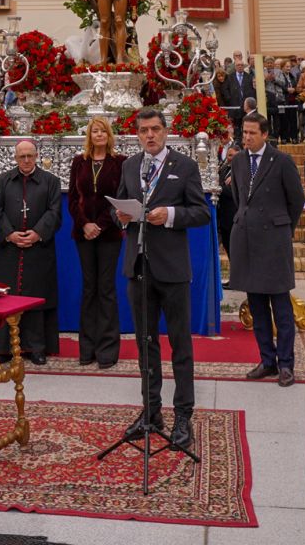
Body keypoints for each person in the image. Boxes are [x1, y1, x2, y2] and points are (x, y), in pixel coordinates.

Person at [116, 107, 211, 451]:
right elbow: (119, 209)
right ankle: (151, 411)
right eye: (143, 130)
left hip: (171, 269)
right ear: (138, 134)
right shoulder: (130, 166)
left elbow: (201, 212)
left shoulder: (183, 167)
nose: (150, 135)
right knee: (145, 342)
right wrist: (122, 217)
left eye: (155, 129)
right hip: (138, 267)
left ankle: (183, 414)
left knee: (180, 345)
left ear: (165, 131)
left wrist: (169, 214)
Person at [226, 113, 302, 387]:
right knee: (257, 307)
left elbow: (296, 200)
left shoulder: (281, 161)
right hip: (246, 240)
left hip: (274, 240)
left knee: (281, 307)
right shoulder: (238, 161)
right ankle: (266, 360)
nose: (246, 137)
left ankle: (285, 364)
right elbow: (238, 196)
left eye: (252, 133)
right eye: (244, 132)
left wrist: (281, 228)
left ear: (265, 134)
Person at [0, 138, 62, 363]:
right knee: (7, 298)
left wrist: (37, 233)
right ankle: (4, 348)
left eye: (30, 155)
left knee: (35, 297)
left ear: (37, 156)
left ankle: (35, 348)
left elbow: (55, 212)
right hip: (7, 250)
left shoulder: (51, 181)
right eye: (22, 156)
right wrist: (9, 234)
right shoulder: (3, 180)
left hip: (38, 248)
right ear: (15, 158)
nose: (27, 160)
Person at [67, 116, 124, 367]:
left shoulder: (120, 163)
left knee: (107, 289)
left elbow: (120, 198)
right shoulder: (80, 162)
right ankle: (87, 349)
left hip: (109, 233)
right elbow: (72, 199)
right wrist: (85, 224)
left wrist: (100, 224)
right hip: (83, 234)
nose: (98, 135)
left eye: (102, 131)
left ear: (108, 136)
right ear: (89, 136)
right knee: (89, 288)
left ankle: (108, 351)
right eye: (94, 131)